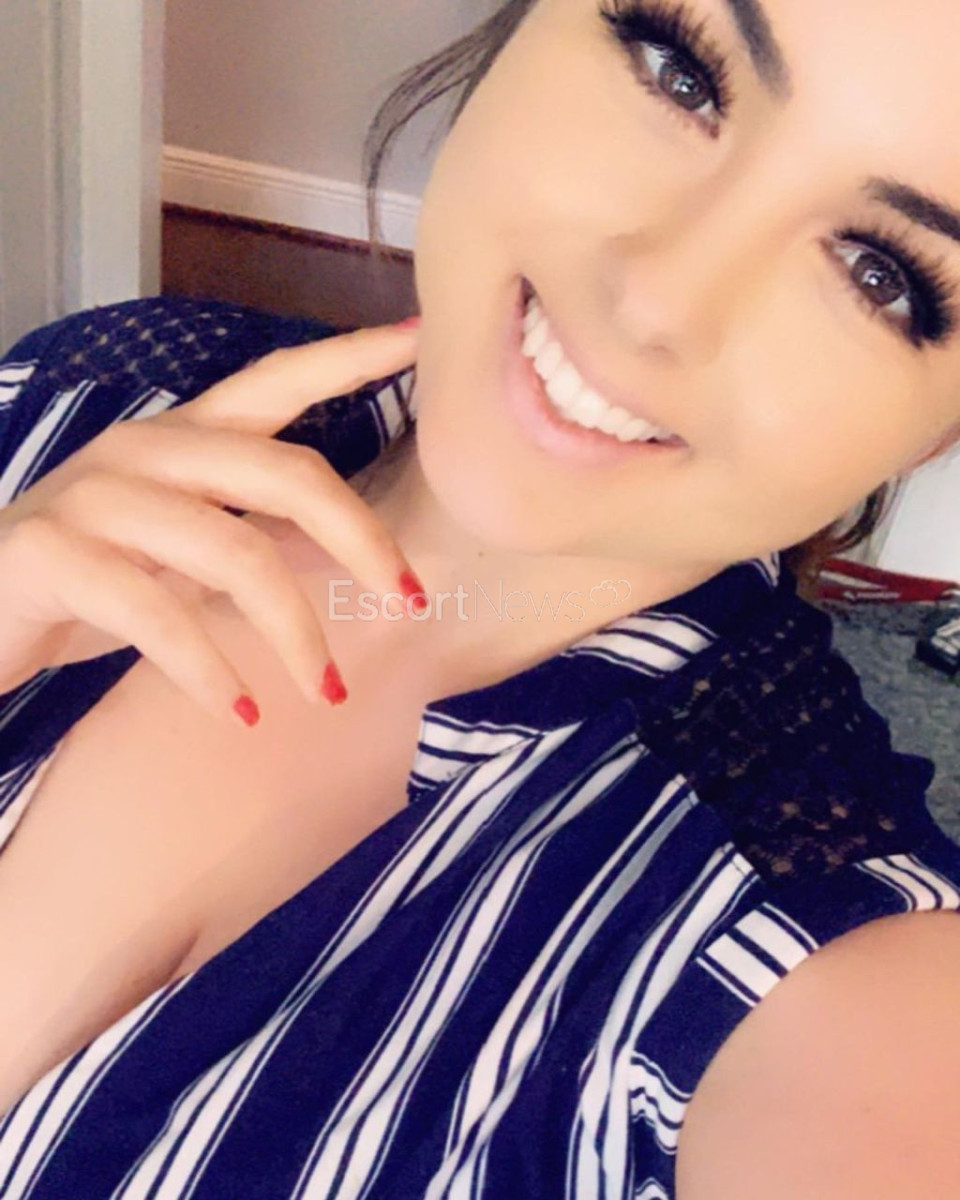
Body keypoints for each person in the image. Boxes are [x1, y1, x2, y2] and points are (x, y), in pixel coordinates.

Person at [0, 0, 958, 1194]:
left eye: (880, 274)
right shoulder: (95, 386)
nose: (655, 303)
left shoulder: (828, 965)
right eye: (684, 73)